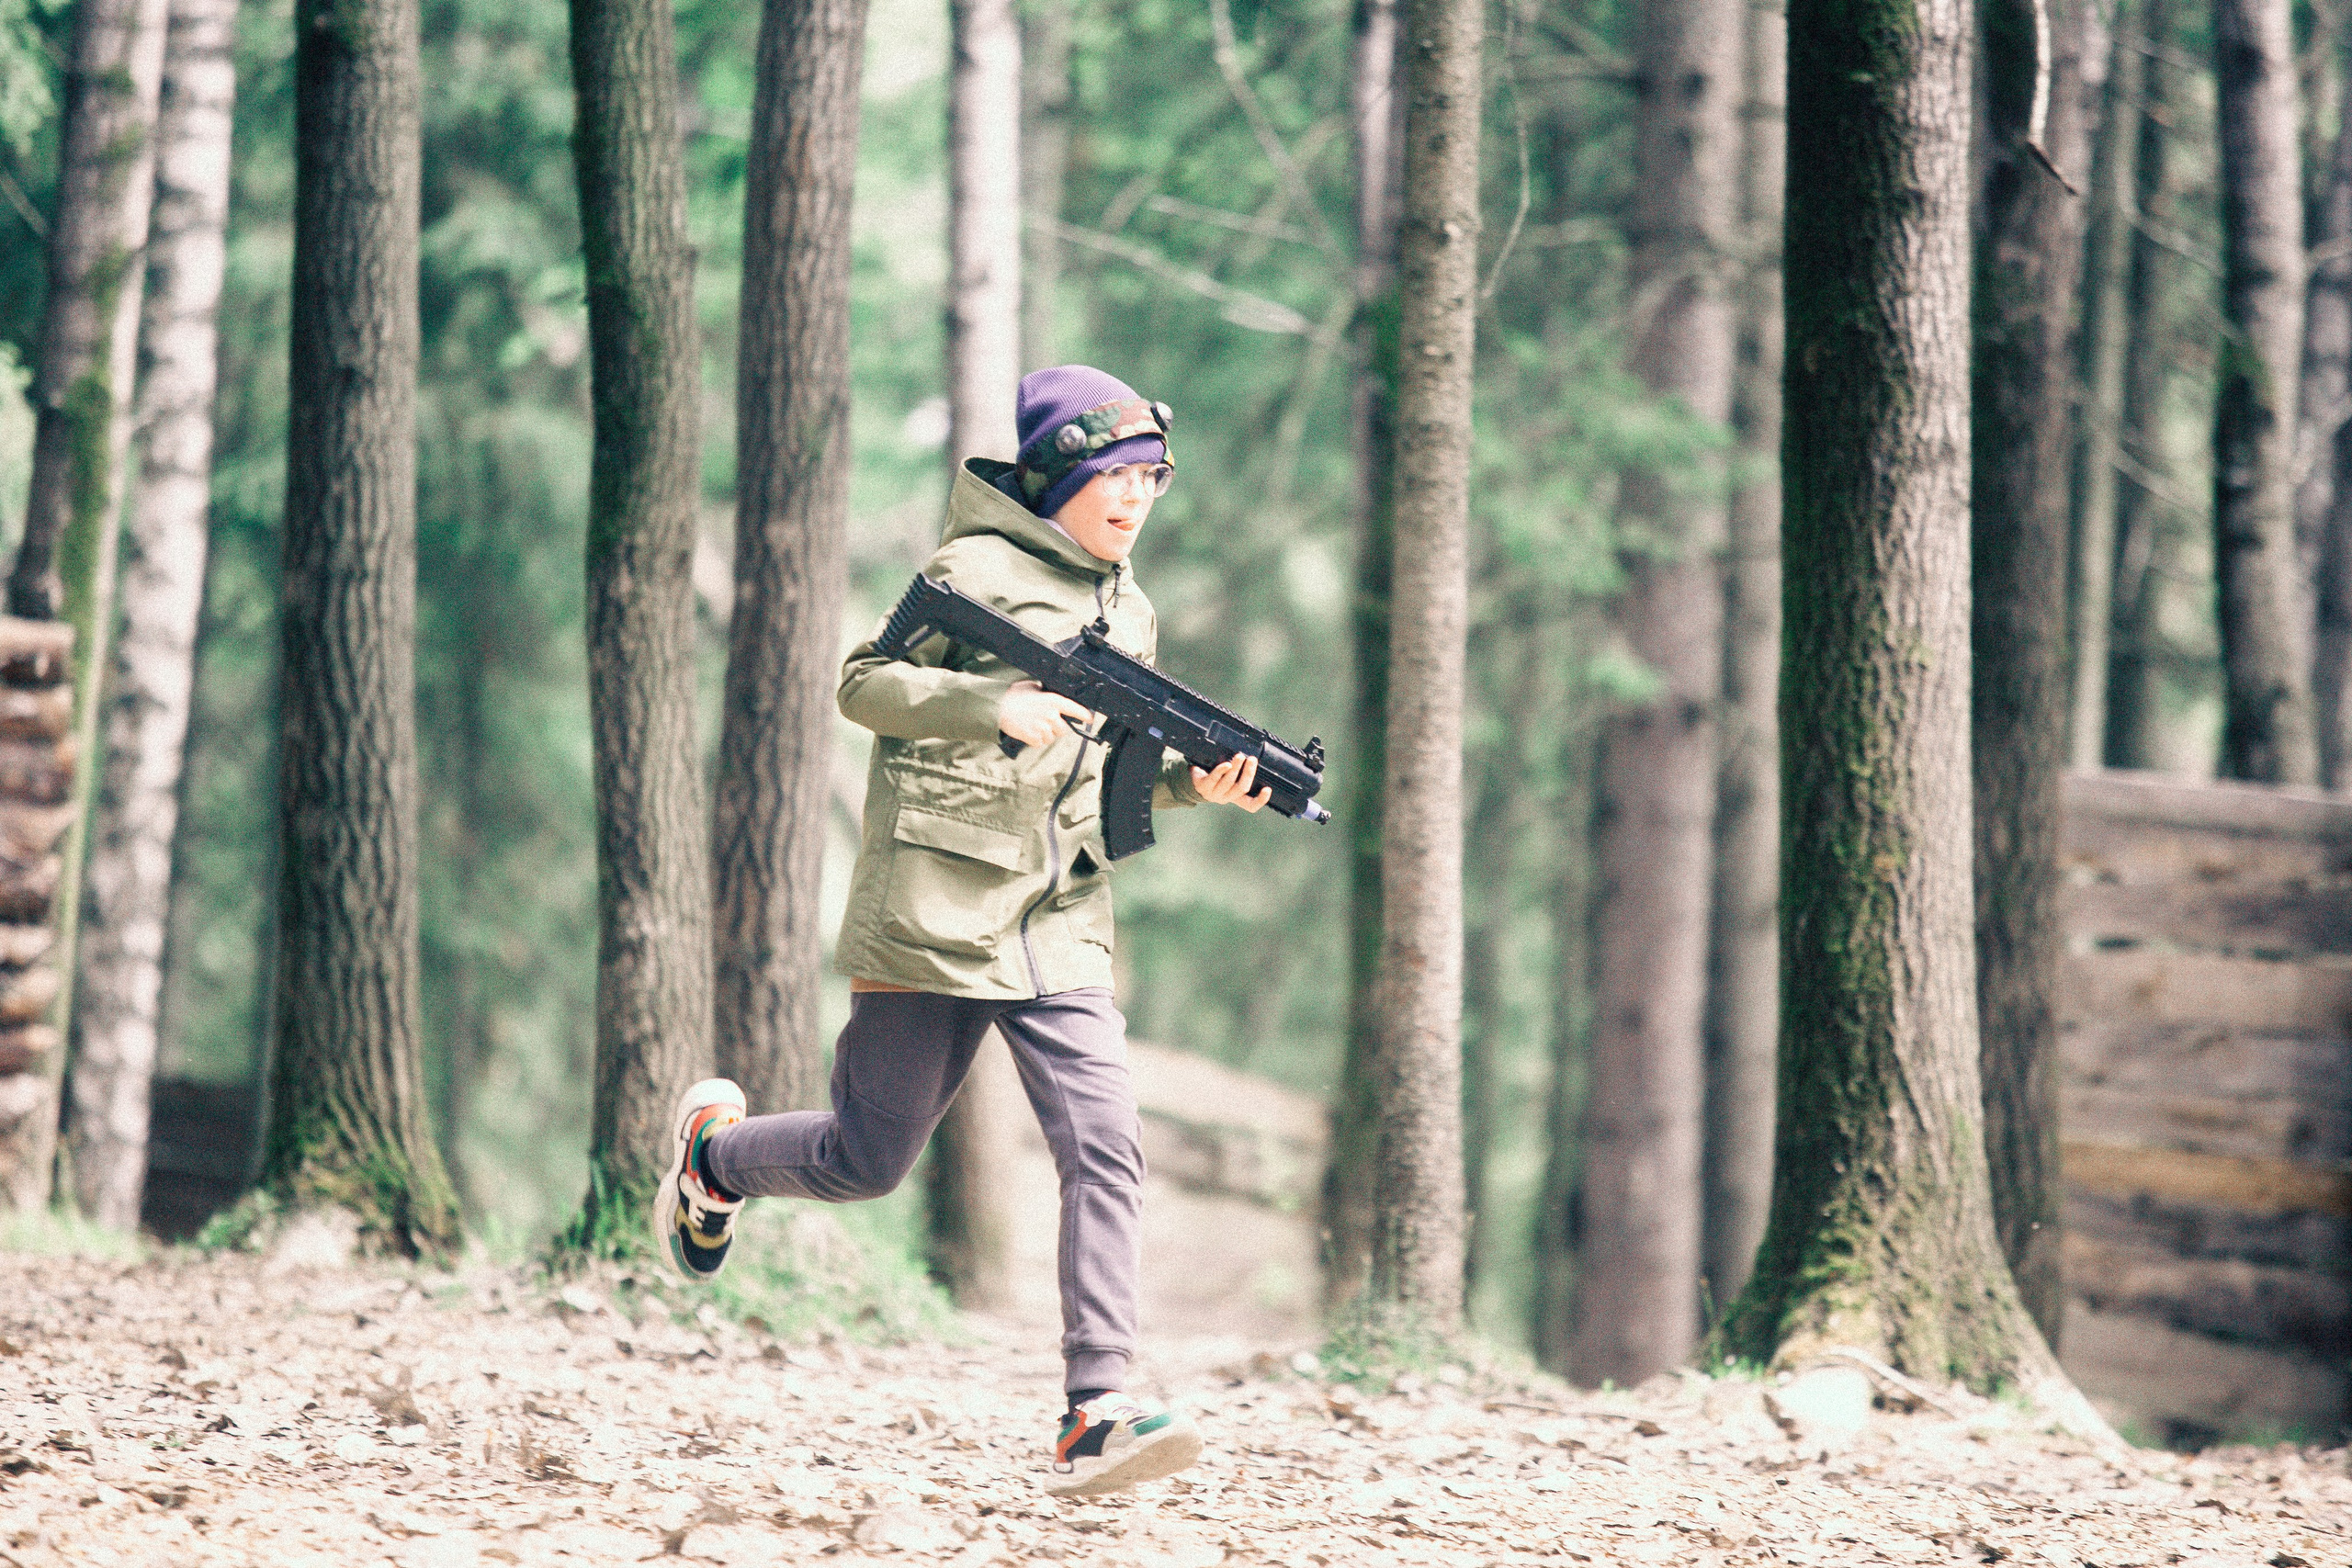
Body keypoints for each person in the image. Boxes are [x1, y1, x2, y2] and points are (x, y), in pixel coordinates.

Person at [651, 365, 1271, 1498]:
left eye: (1153, 480)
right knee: (865, 1160)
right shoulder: (970, 573)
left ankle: (1096, 1410)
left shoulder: (1128, 608)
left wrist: (1195, 786)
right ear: (1064, 478)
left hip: (1058, 921)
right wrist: (990, 704)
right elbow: (864, 684)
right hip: (937, 910)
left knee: (1106, 1144)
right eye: (1118, 477)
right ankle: (713, 1160)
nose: (1136, 499)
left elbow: (1102, 781)